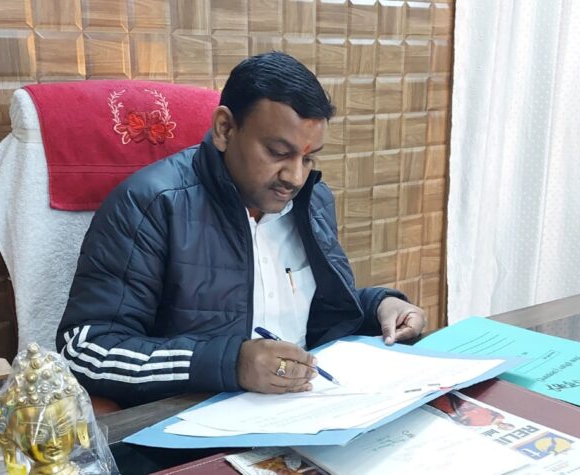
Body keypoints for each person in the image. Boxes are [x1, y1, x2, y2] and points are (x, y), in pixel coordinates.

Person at [56, 52, 426, 407]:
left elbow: (312, 313)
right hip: (194, 421)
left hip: (307, 408)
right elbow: (86, 350)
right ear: (225, 129)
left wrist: (378, 307)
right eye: (278, 153)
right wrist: (230, 363)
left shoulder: (312, 201)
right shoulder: (152, 203)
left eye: (308, 157)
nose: (295, 177)